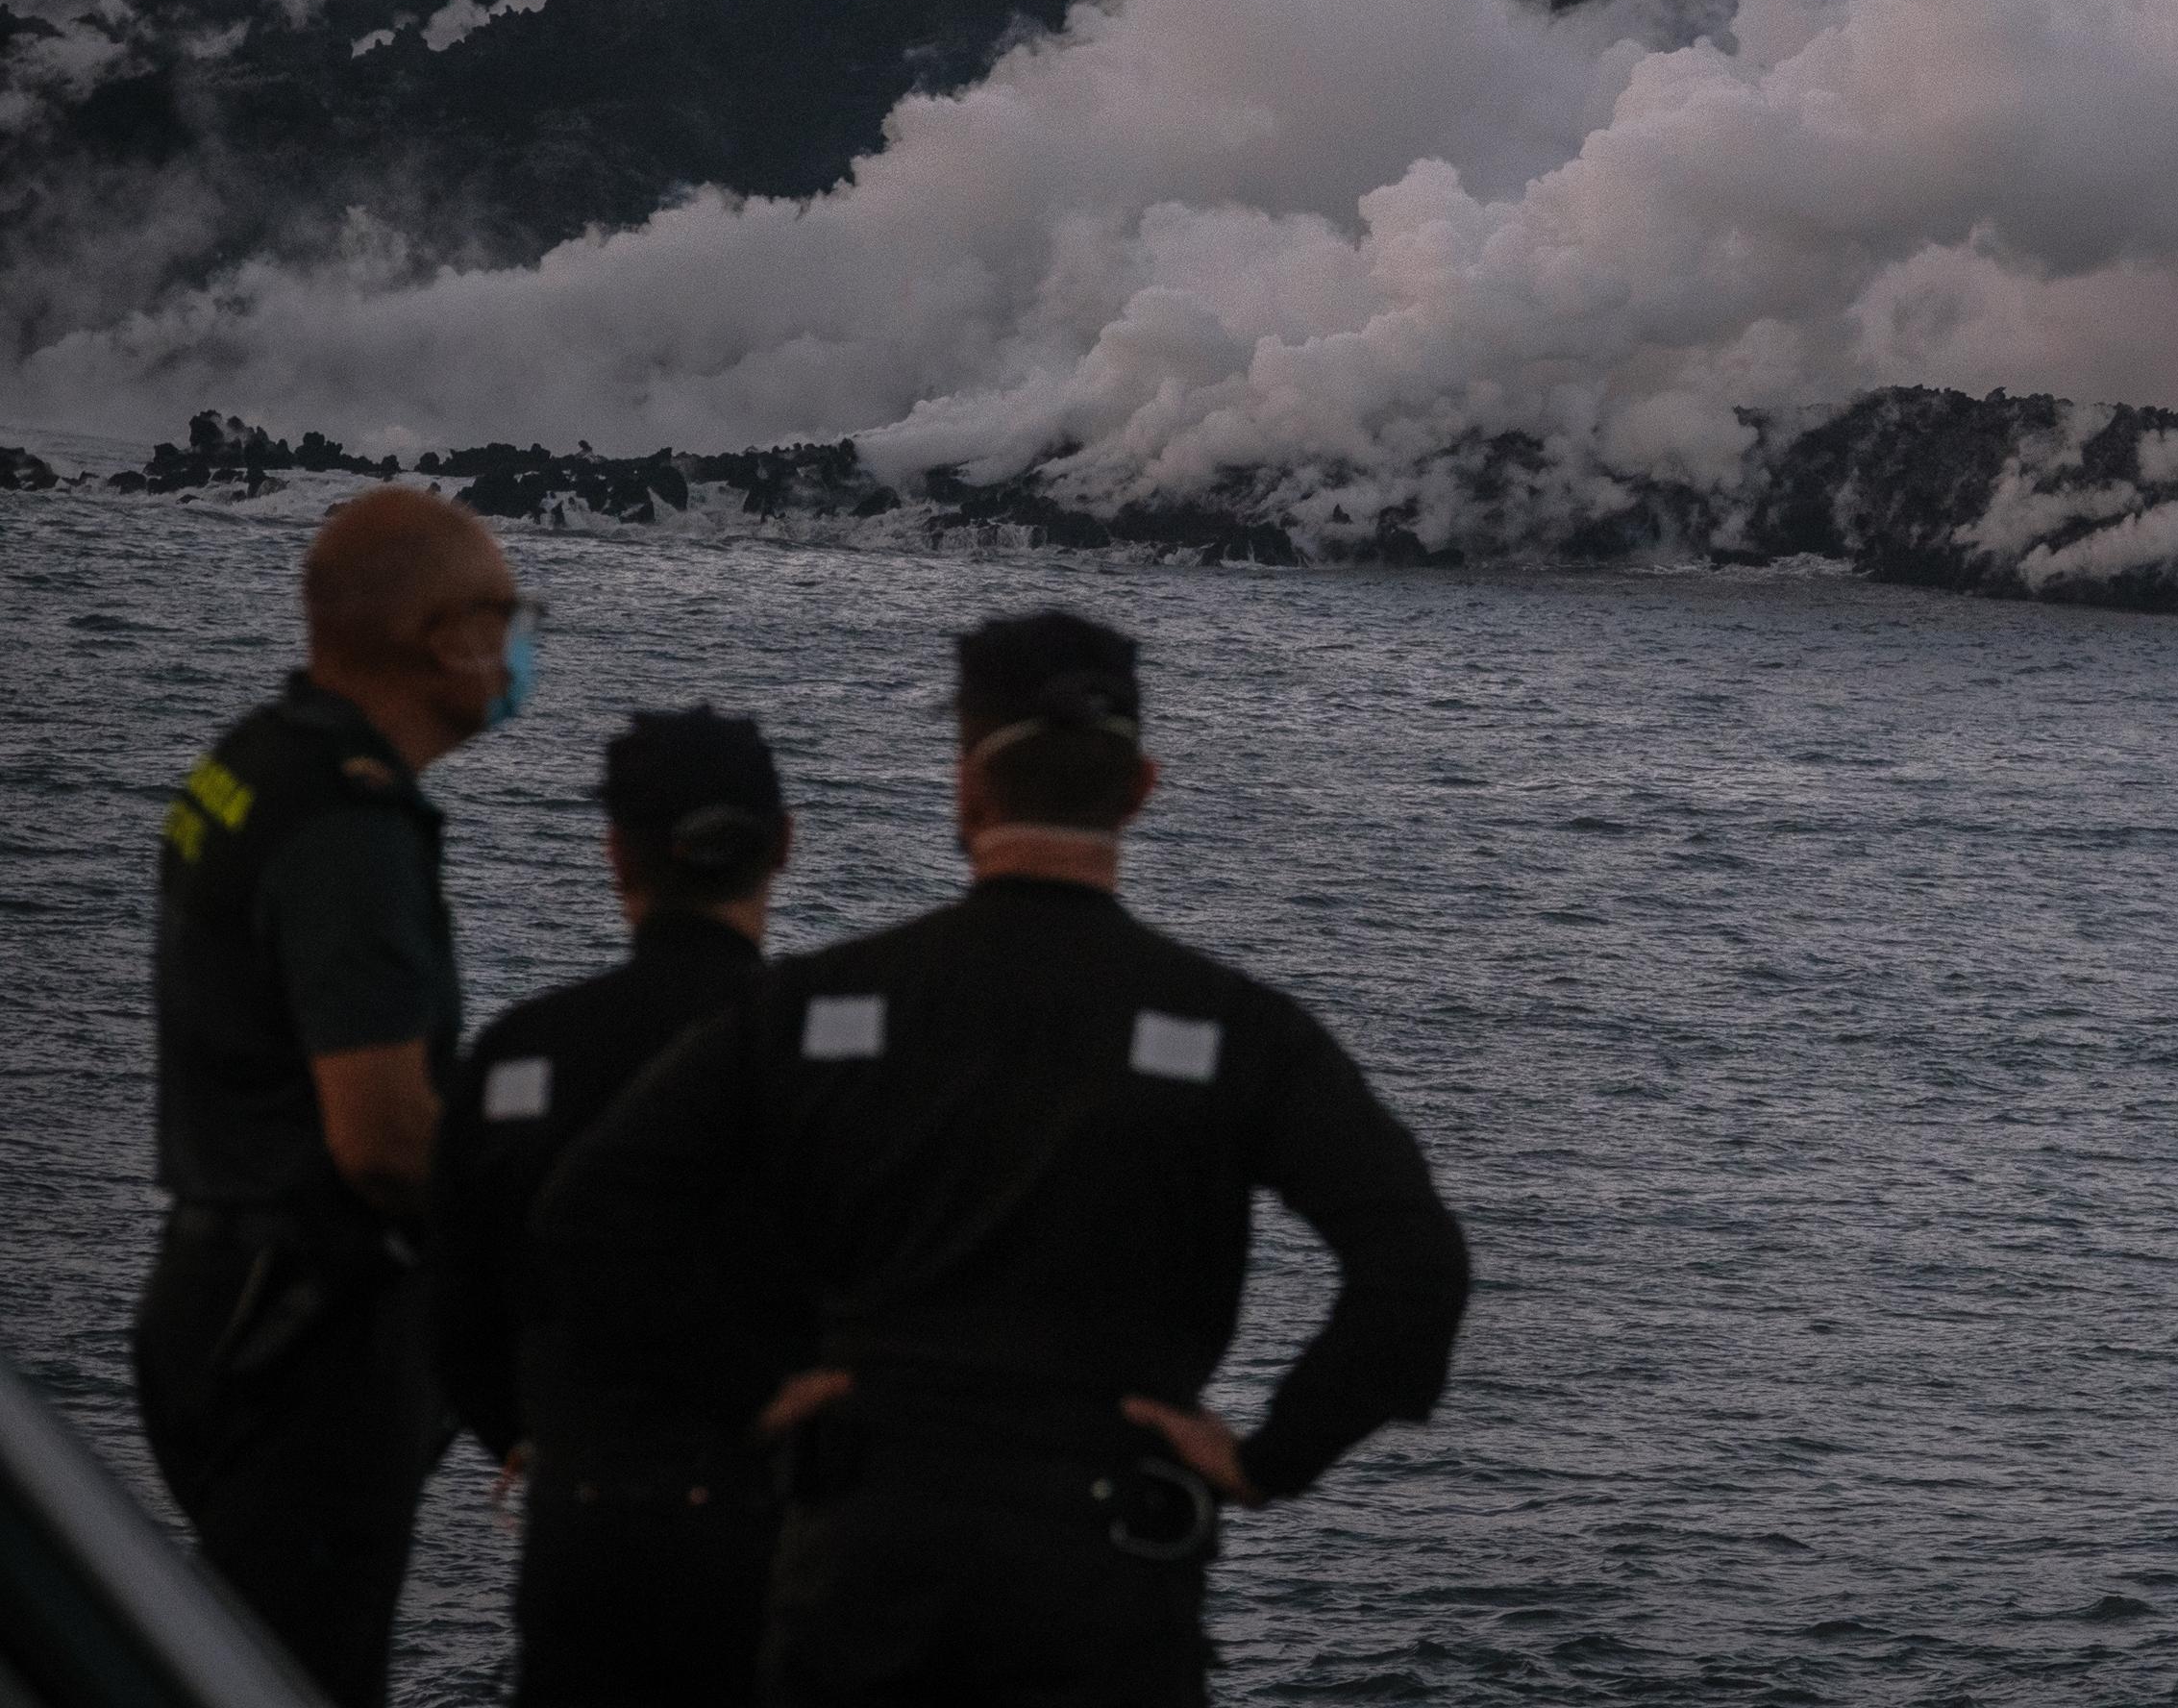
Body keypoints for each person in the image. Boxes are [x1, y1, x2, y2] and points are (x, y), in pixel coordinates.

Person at [535, 611, 1472, 1708]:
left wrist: (749, 1389)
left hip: (864, 1550)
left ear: (967, 792)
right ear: (1139, 788)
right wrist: (1275, 1454)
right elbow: (1413, 1261)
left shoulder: (818, 1005)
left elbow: (588, 1217)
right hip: (1107, 1566)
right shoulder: (1240, 1030)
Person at [134, 485, 537, 1708]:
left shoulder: (254, 760)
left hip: (219, 1298)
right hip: (308, 1340)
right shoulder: (347, 825)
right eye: (510, 619)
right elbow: (378, 1134)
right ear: (443, 638)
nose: (521, 648)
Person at [431, 708, 804, 1707]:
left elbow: (452, 1308)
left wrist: (528, 1432)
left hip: (581, 1521)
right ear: (784, 844)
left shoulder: (521, 1050)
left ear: (614, 854)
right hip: (780, 1533)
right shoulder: (836, 1067)